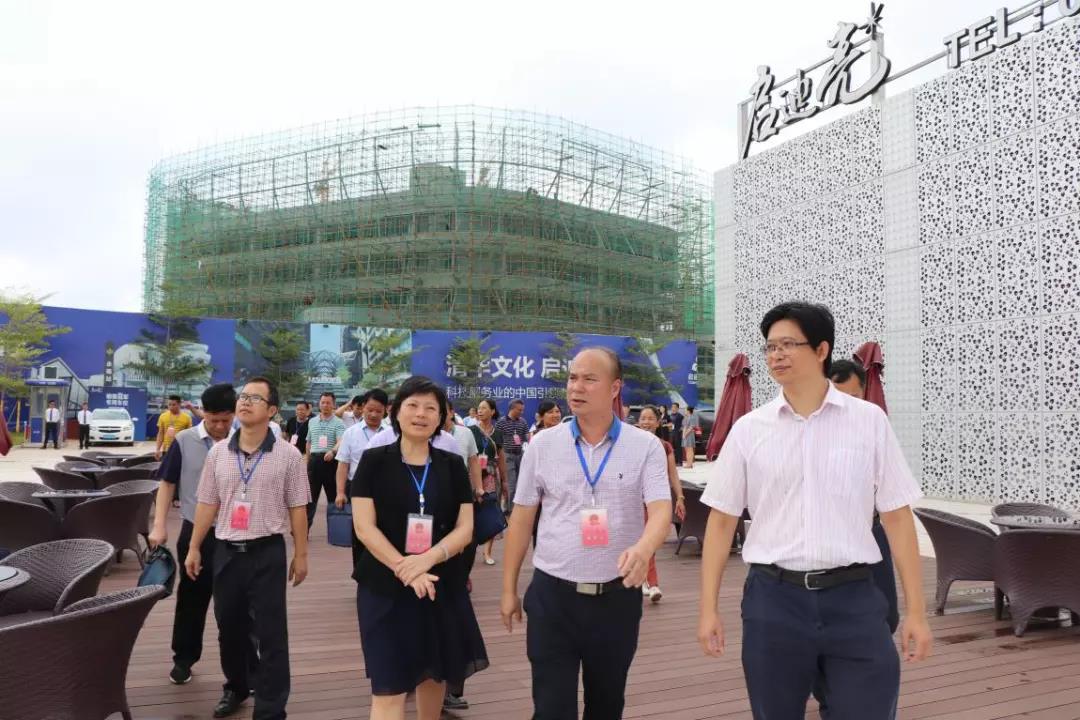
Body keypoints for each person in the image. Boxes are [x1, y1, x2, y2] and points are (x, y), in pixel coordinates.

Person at [696, 302, 932, 720]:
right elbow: (721, 521)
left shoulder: (869, 422)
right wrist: (708, 608)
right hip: (773, 601)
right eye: (770, 347)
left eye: (789, 344)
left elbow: (897, 517)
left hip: (854, 598)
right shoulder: (749, 429)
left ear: (822, 350)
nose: (777, 355)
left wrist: (916, 611)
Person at [501, 347, 672, 719]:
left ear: (615, 388)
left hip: (616, 598)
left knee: (607, 705)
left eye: (589, 379)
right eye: (572, 378)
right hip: (553, 597)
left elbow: (661, 509)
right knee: (551, 708)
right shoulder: (543, 444)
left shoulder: (644, 446)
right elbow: (522, 518)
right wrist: (509, 588)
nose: (576, 387)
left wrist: (644, 548)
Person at [351, 376, 489, 720]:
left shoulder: (452, 464)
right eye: (412, 405)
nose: (421, 414)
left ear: (442, 417)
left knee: (434, 673)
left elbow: (465, 528)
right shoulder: (373, 461)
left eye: (431, 408)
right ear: (396, 412)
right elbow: (364, 527)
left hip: (440, 585)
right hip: (384, 586)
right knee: (389, 684)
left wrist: (427, 559)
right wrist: (406, 568)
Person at [185, 376, 310, 719]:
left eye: (255, 398)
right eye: (243, 396)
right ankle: (237, 686)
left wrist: (301, 555)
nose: (245, 402)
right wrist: (194, 546)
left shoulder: (288, 456)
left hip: (267, 552)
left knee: (271, 633)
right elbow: (207, 502)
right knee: (230, 628)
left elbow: (298, 508)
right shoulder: (218, 452)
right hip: (226, 551)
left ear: (272, 411)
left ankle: (271, 708)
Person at [149, 383, 258, 689]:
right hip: (196, 532)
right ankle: (183, 658)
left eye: (226, 420)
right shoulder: (185, 441)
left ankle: (247, 669)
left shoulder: (247, 439)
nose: (220, 427)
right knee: (192, 599)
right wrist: (159, 525)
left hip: (237, 532)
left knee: (239, 604)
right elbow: (167, 484)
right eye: (214, 420)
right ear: (203, 414)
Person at [442, 397, 485, 711]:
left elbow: (473, 464)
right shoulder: (388, 447)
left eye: (434, 409)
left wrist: (478, 489)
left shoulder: (456, 441)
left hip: (456, 534)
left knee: (453, 611)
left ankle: (451, 686)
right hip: (412, 550)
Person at [635, 405, 687, 603]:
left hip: (656, 502)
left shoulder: (665, 446)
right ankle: (646, 581)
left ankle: (650, 582)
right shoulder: (630, 444)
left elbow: (672, 473)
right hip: (634, 500)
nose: (646, 422)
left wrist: (680, 497)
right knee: (639, 540)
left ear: (658, 423)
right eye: (643, 418)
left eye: (650, 419)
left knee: (650, 540)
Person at [334, 389, 391, 509]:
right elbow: (343, 465)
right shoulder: (350, 433)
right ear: (363, 407)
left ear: (385, 410)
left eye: (378, 411)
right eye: (370, 410)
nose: (374, 415)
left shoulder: (392, 434)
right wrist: (340, 493)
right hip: (357, 487)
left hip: (385, 488)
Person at [473, 398, 507, 565]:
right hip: (474, 474)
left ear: (492, 411)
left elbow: (501, 458)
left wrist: (505, 480)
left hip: (492, 475)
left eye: (484, 408)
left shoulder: (498, 433)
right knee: (473, 510)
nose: (480, 411)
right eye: (479, 408)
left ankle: (487, 552)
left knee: (491, 511)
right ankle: (470, 546)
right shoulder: (471, 431)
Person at [305, 392, 346, 528]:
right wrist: (308, 462)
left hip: (330, 462)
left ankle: (336, 530)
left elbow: (341, 441)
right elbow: (309, 442)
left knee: (333, 499)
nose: (325, 405)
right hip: (314, 462)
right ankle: (303, 530)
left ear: (334, 405)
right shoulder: (312, 421)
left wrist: (333, 451)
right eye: (323, 402)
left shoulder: (339, 423)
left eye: (328, 403)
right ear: (319, 404)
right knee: (310, 499)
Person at [494, 399, 529, 514]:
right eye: (519, 410)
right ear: (512, 409)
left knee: (520, 483)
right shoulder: (501, 422)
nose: (521, 412)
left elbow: (526, 437)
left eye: (522, 410)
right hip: (507, 456)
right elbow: (496, 440)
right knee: (511, 484)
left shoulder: (523, 422)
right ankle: (511, 510)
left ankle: (510, 506)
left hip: (520, 455)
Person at [156, 395, 193, 460]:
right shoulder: (163, 416)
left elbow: (189, 436)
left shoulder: (187, 418)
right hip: (166, 450)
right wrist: (158, 449)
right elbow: (160, 433)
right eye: (169, 404)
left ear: (179, 405)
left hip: (180, 449)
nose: (171, 407)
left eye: (173, 405)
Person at [668, 402, 684, 467]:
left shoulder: (680, 416)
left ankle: (680, 462)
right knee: (673, 447)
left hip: (678, 433)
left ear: (677, 408)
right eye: (672, 407)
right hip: (672, 433)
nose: (673, 408)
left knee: (678, 447)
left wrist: (681, 430)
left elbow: (683, 425)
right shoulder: (670, 415)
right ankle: (675, 461)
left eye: (674, 407)